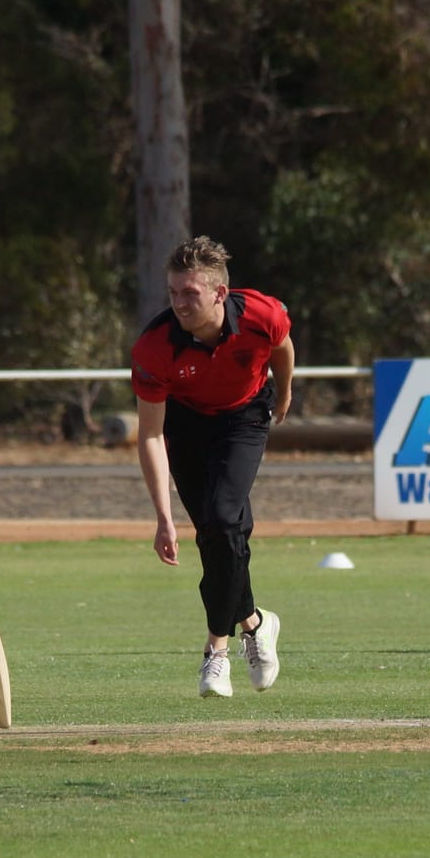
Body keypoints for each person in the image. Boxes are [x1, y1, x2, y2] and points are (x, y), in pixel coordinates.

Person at [131, 236, 293, 698]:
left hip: (243, 417)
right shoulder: (154, 348)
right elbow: (149, 435)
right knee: (218, 535)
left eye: (190, 293)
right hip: (185, 424)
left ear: (220, 293)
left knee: (224, 520)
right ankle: (256, 623)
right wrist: (163, 518)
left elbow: (282, 346)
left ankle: (215, 651)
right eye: (174, 293)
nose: (180, 303)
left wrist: (283, 394)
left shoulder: (262, 313)